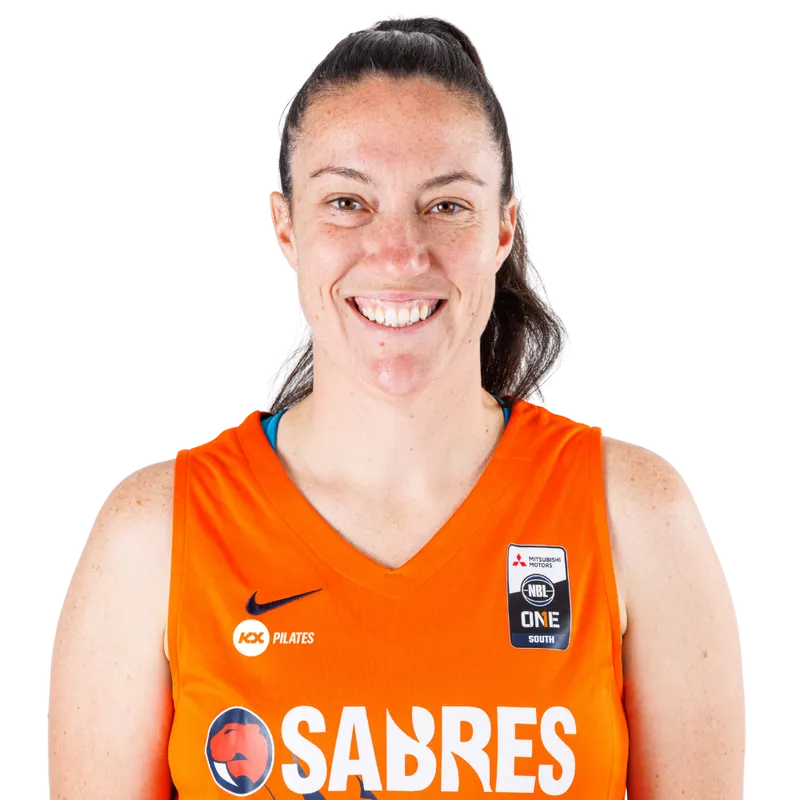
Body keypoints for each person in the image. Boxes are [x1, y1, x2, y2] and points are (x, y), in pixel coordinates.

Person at [47, 16, 746, 799]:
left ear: (504, 228)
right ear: (285, 228)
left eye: (445, 205)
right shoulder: (153, 535)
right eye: (348, 201)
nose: (400, 254)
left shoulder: (636, 515)